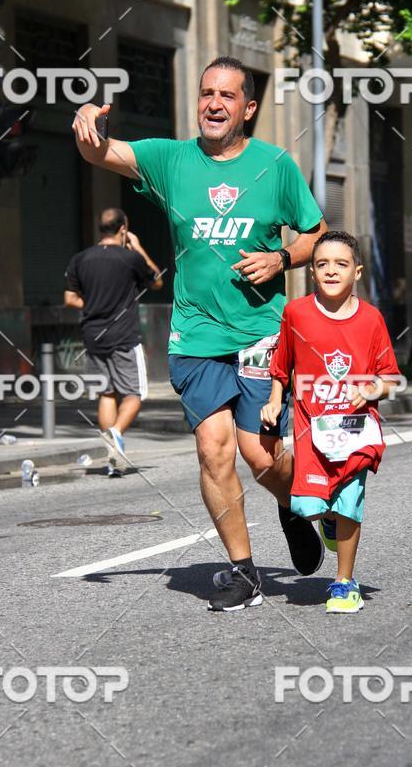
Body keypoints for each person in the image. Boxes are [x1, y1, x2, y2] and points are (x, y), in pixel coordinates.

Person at [72, 55, 329, 612]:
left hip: (261, 331)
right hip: (194, 334)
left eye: (227, 95)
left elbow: (318, 235)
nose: (214, 103)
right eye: (206, 93)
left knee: (261, 459)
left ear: (248, 108)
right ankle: (244, 572)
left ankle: (296, 505)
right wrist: (89, 119)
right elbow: (99, 153)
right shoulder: (170, 159)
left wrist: (281, 258)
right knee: (214, 452)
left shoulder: (275, 165)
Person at [261, 231, 400, 613]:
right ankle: (327, 522)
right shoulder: (297, 313)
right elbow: (282, 363)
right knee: (311, 507)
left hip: (356, 430)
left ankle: (344, 582)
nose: (331, 270)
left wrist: (372, 389)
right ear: (311, 273)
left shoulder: (371, 319)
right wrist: (275, 400)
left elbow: (390, 376)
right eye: (322, 264)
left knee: (350, 503)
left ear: (356, 271)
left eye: (341, 264)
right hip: (311, 429)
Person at [64, 207, 163, 475]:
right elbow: (157, 281)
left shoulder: (80, 259)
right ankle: (117, 433)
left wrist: (94, 306)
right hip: (124, 336)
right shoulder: (129, 258)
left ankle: (111, 448)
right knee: (135, 392)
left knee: (106, 392)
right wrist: (138, 247)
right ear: (122, 229)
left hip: (93, 336)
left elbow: (70, 299)